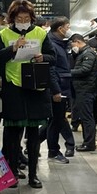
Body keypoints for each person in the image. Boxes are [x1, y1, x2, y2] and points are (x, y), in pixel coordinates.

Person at [0, 0, 56, 189]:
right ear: (12, 18)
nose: (23, 20)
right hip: (13, 88)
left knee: (34, 134)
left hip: (36, 88)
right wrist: (12, 48)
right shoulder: (4, 34)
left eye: (26, 17)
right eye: (19, 18)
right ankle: (11, 171)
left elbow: (54, 57)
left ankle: (34, 175)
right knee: (12, 133)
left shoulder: (41, 33)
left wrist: (43, 57)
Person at [39, 17, 74, 162]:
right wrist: (56, 90)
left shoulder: (60, 44)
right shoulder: (52, 45)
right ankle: (53, 151)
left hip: (62, 86)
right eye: (67, 26)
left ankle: (32, 144)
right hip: (57, 87)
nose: (68, 29)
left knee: (55, 120)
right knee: (56, 120)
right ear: (60, 29)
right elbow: (51, 69)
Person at [69, 34, 97, 152]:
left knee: (87, 117)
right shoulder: (83, 53)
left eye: (72, 44)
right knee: (85, 116)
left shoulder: (88, 54)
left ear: (77, 42)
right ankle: (88, 142)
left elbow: (85, 70)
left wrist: (69, 72)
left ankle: (89, 144)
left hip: (86, 89)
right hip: (82, 88)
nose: (72, 47)